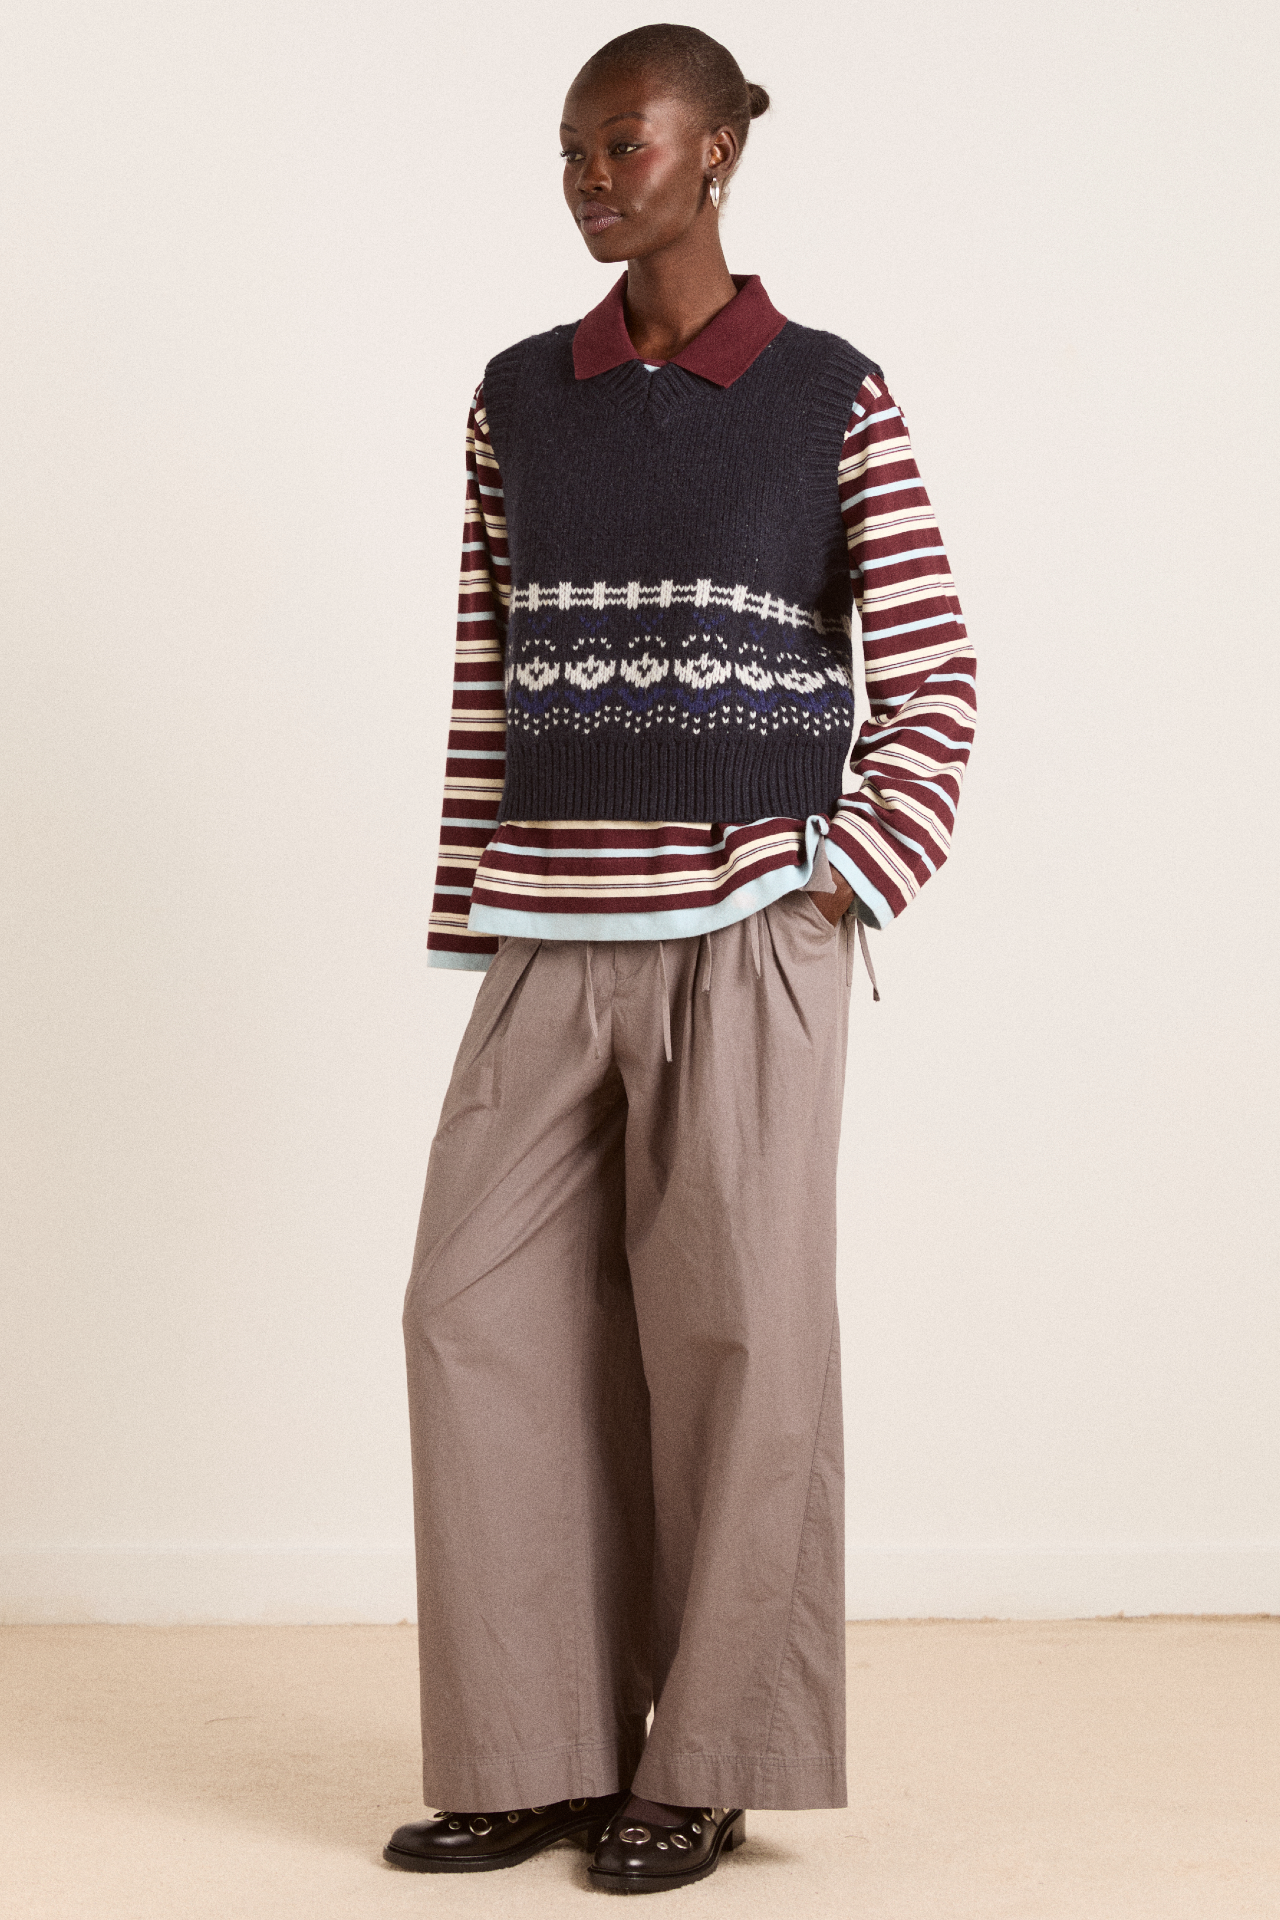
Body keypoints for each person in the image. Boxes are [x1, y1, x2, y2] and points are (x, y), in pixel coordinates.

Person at [385, 22, 975, 1896]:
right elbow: (486, 671)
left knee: (736, 1348)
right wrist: (472, 907)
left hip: (744, 932)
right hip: (549, 933)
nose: (588, 177)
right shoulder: (518, 395)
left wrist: (838, 883)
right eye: (570, 149)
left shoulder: (827, 392)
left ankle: (705, 1765)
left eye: (622, 142)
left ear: (717, 151)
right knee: (470, 1319)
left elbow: (936, 676)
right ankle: (536, 1749)